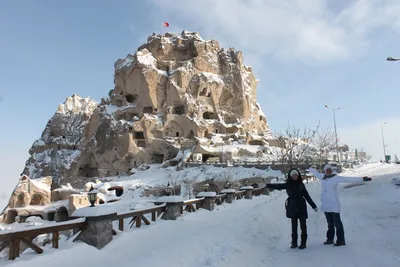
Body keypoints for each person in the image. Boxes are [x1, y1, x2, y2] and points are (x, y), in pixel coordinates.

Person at [308, 164, 372, 246]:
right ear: (324, 170)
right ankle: (330, 239)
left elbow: (348, 179)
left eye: (329, 170)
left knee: (337, 223)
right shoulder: (323, 177)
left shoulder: (336, 178)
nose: (328, 171)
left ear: (332, 170)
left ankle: (341, 240)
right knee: (330, 224)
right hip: (326, 205)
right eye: (326, 170)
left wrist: (362, 179)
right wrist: (309, 168)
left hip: (334, 204)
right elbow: (316, 173)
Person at [266, 168, 317, 249]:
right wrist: (267, 185)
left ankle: (303, 242)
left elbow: (307, 196)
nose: (295, 176)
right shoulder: (288, 184)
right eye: (293, 175)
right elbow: (278, 186)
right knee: (294, 225)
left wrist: (313, 205)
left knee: (303, 225)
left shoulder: (301, 184)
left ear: (298, 175)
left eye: (296, 175)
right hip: (292, 206)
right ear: (290, 176)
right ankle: (294, 243)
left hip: (301, 206)